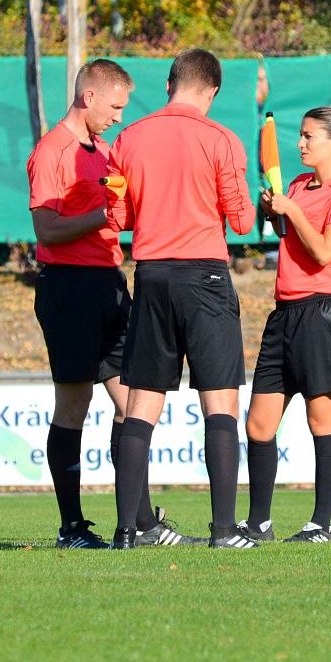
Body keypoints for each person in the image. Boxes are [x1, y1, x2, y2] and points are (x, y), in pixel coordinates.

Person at [27, 59, 191, 549]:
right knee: (74, 404)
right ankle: (71, 527)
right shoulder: (51, 150)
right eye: (115, 106)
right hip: (68, 287)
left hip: (111, 283)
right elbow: (46, 229)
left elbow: (115, 214)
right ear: (89, 97)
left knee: (132, 404)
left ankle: (140, 521)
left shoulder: (103, 151)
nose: (119, 116)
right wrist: (102, 213)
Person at [105, 48, 259, 550]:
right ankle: (222, 531)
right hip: (205, 278)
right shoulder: (221, 138)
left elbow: (119, 217)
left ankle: (127, 531)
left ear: (169, 83)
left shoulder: (128, 137)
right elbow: (241, 221)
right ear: (211, 90)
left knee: (141, 407)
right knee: (219, 403)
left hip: (150, 277)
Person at [238, 105, 331, 543]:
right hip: (285, 315)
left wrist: (290, 211)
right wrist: (274, 211)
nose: (300, 143)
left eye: (309, 136)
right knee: (258, 424)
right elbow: (285, 234)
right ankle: (259, 524)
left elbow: (324, 253)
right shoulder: (296, 184)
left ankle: (321, 524)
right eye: (299, 135)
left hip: (324, 314)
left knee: (321, 419)